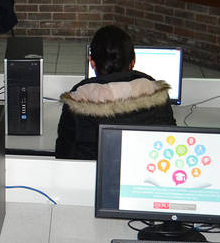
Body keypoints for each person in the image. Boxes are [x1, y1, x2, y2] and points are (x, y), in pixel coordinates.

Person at [55, 26, 176, 160]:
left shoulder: (77, 99)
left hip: (90, 172)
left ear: (92, 62)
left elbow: (63, 153)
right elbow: (170, 143)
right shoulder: (157, 94)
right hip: (144, 171)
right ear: (133, 61)